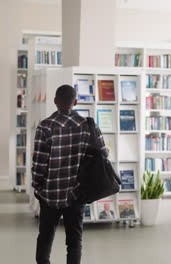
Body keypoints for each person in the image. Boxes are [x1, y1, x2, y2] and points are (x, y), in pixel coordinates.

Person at [32, 84, 108, 264]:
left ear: (55, 102)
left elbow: (38, 163)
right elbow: (104, 155)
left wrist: (38, 187)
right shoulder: (88, 125)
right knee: (74, 241)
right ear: (75, 101)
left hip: (50, 193)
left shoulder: (45, 126)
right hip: (77, 193)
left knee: (45, 237)